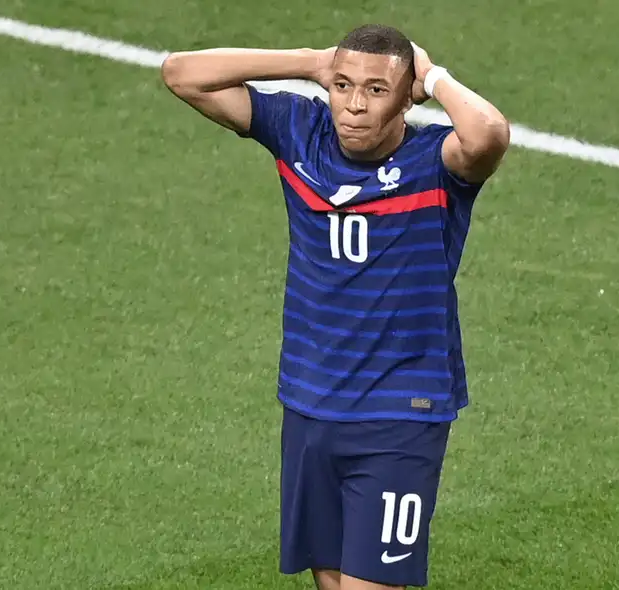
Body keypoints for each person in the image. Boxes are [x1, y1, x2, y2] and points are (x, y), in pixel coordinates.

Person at [161, 23, 510, 590]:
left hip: (400, 412)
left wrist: (434, 76)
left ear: (406, 99)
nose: (352, 106)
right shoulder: (300, 131)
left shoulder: (436, 163)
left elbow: (488, 133)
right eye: (344, 86)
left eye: (376, 90)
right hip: (310, 401)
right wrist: (312, 62)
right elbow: (182, 74)